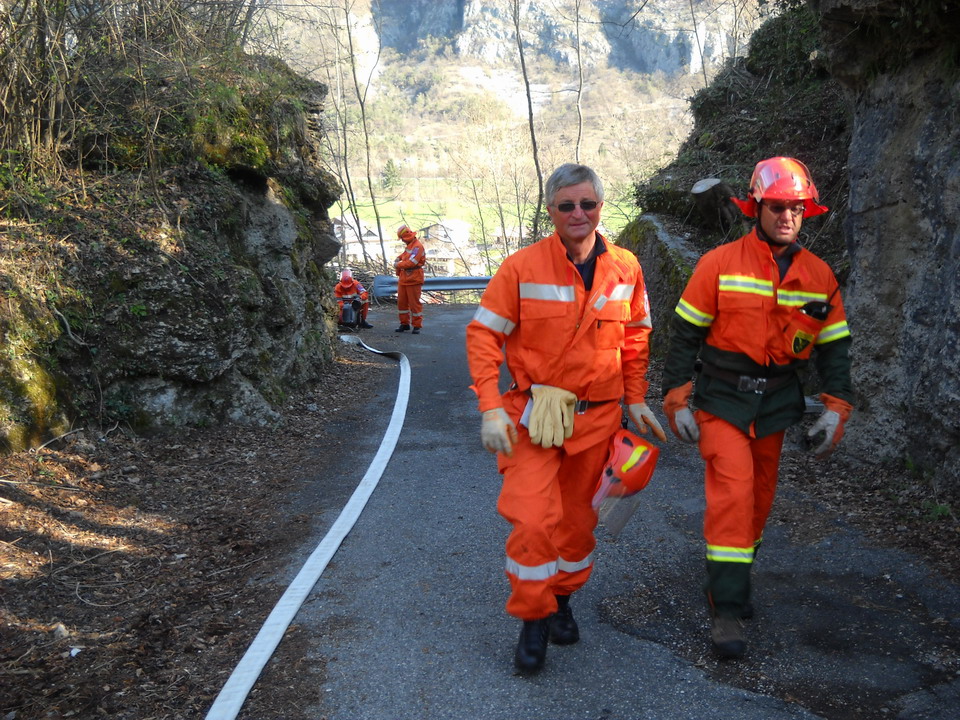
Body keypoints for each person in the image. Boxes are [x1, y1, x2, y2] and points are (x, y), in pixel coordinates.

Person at [465, 163, 667, 674]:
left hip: (596, 421)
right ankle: (533, 618)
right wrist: (490, 406)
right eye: (567, 205)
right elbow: (484, 335)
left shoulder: (626, 267)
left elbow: (636, 336)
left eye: (588, 204)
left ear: (600, 206)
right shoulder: (522, 267)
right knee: (533, 520)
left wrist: (636, 399)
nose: (579, 213)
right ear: (551, 210)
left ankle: (562, 601)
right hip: (532, 418)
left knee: (577, 526)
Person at [660, 156, 854, 660]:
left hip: (776, 404)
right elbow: (685, 334)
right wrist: (677, 398)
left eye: (797, 208)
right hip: (722, 399)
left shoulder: (818, 275)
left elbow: (834, 348)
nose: (787, 216)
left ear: (806, 212)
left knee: (758, 502)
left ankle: (731, 576)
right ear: (756, 208)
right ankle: (726, 608)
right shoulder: (719, 263)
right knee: (732, 494)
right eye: (777, 207)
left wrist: (836, 407)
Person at [393, 225, 426, 334]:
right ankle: (404, 324)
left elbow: (412, 262)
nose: (402, 241)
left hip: (414, 278)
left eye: (402, 238)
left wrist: (398, 264)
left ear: (406, 237)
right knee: (401, 303)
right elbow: (405, 254)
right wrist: (399, 258)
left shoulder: (417, 247)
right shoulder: (410, 245)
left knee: (414, 304)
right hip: (404, 278)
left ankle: (417, 325)